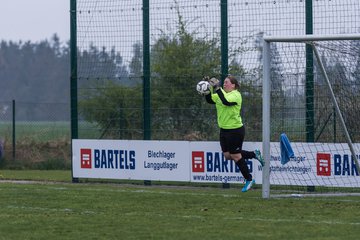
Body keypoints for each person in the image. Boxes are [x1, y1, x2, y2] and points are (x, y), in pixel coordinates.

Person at [203, 75, 264, 192]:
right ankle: (254, 154)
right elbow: (210, 100)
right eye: (224, 83)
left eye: (226, 83)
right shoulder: (221, 94)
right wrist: (207, 89)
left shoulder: (236, 95)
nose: (224, 84)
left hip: (235, 130)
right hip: (224, 130)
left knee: (236, 156)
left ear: (233, 85)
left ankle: (249, 179)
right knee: (227, 155)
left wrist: (216, 88)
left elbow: (225, 102)